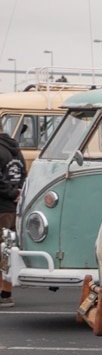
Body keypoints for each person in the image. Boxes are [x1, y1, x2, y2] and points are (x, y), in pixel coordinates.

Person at [0, 128, 24, 308]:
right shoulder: (17, 150)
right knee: (7, 249)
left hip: (1, 206)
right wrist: (17, 193)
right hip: (14, 208)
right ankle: (6, 292)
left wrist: (10, 193)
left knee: (2, 250)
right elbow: (23, 174)